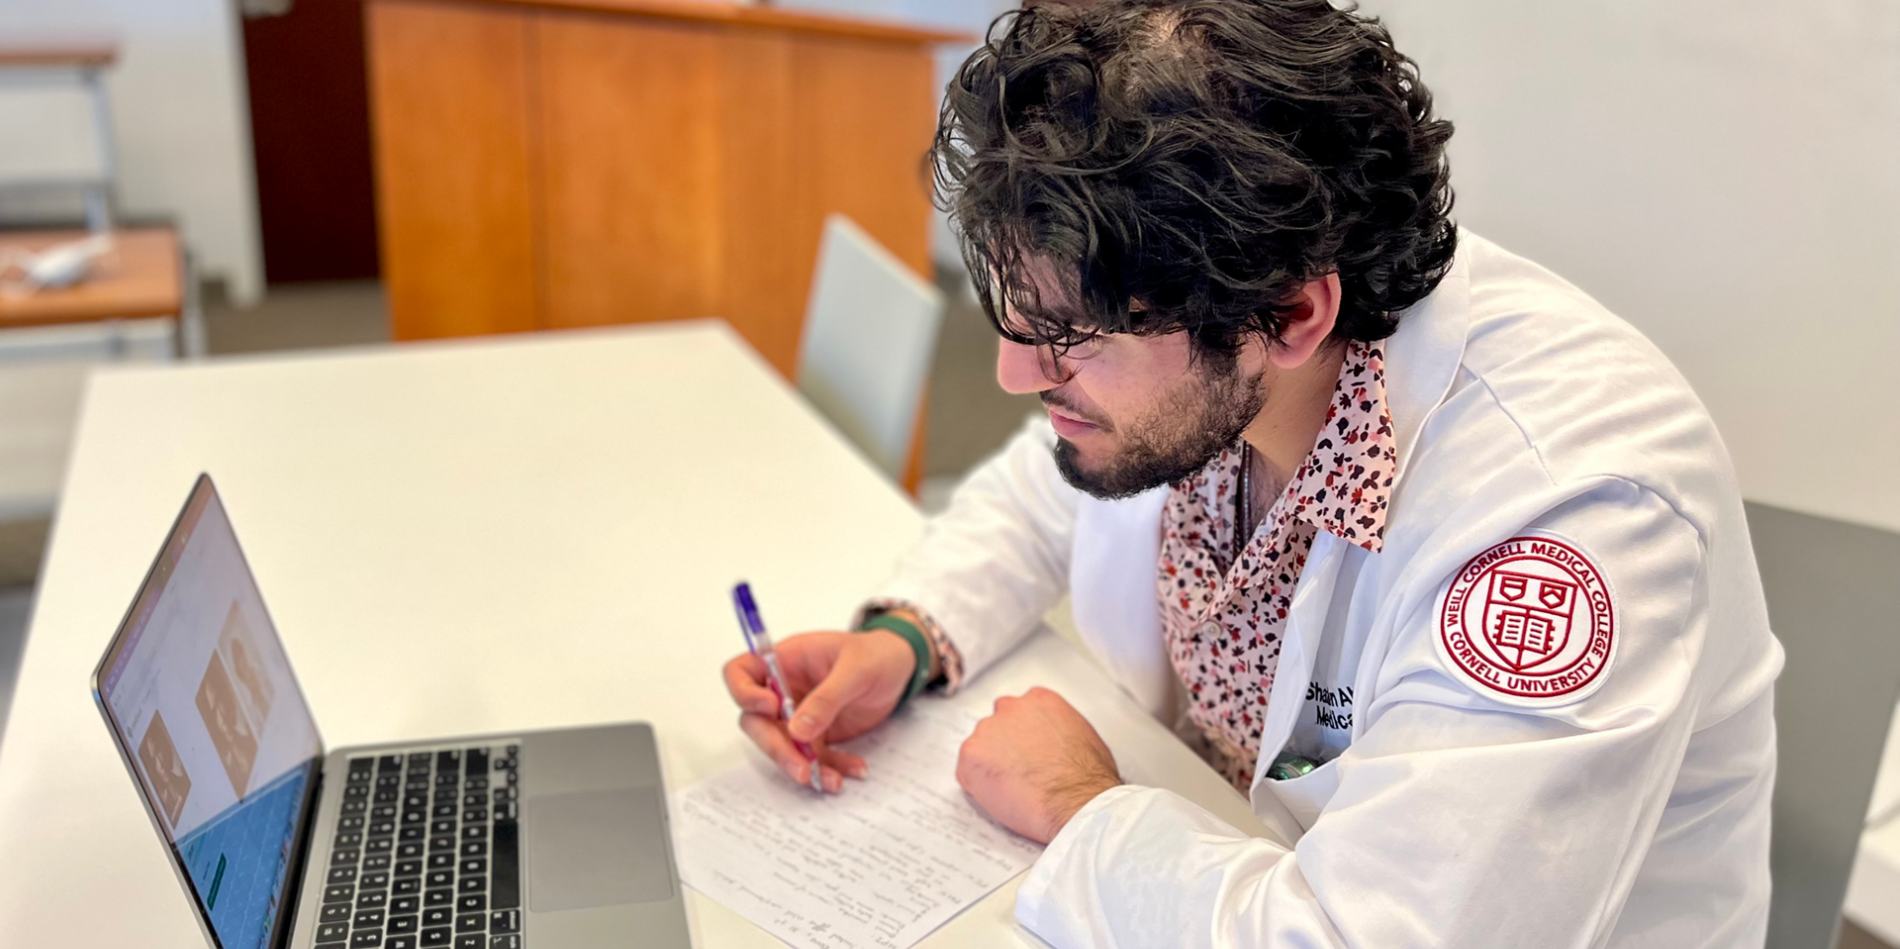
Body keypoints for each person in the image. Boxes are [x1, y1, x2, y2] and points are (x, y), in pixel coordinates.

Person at [721, 1, 1784, 946]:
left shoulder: (1564, 512)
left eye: (1066, 335)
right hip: (1217, 836)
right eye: (1008, 317)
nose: (1008, 375)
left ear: (1289, 315)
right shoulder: (1224, 336)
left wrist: (1081, 805)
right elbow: (1044, 490)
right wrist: (907, 639)